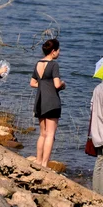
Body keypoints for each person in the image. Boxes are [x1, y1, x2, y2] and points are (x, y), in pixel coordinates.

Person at [30, 38, 66, 167]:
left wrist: (44, 85)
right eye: (58, 50)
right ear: (53, 51)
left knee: (42, 134)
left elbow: (32, 83)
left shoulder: (38, 63)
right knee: (50, 134)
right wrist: (63, 84)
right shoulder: (54, 65)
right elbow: (57, 85)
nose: (59, 52)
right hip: (51, 101)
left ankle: (38, 160)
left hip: (39, 101)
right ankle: (45, 163)